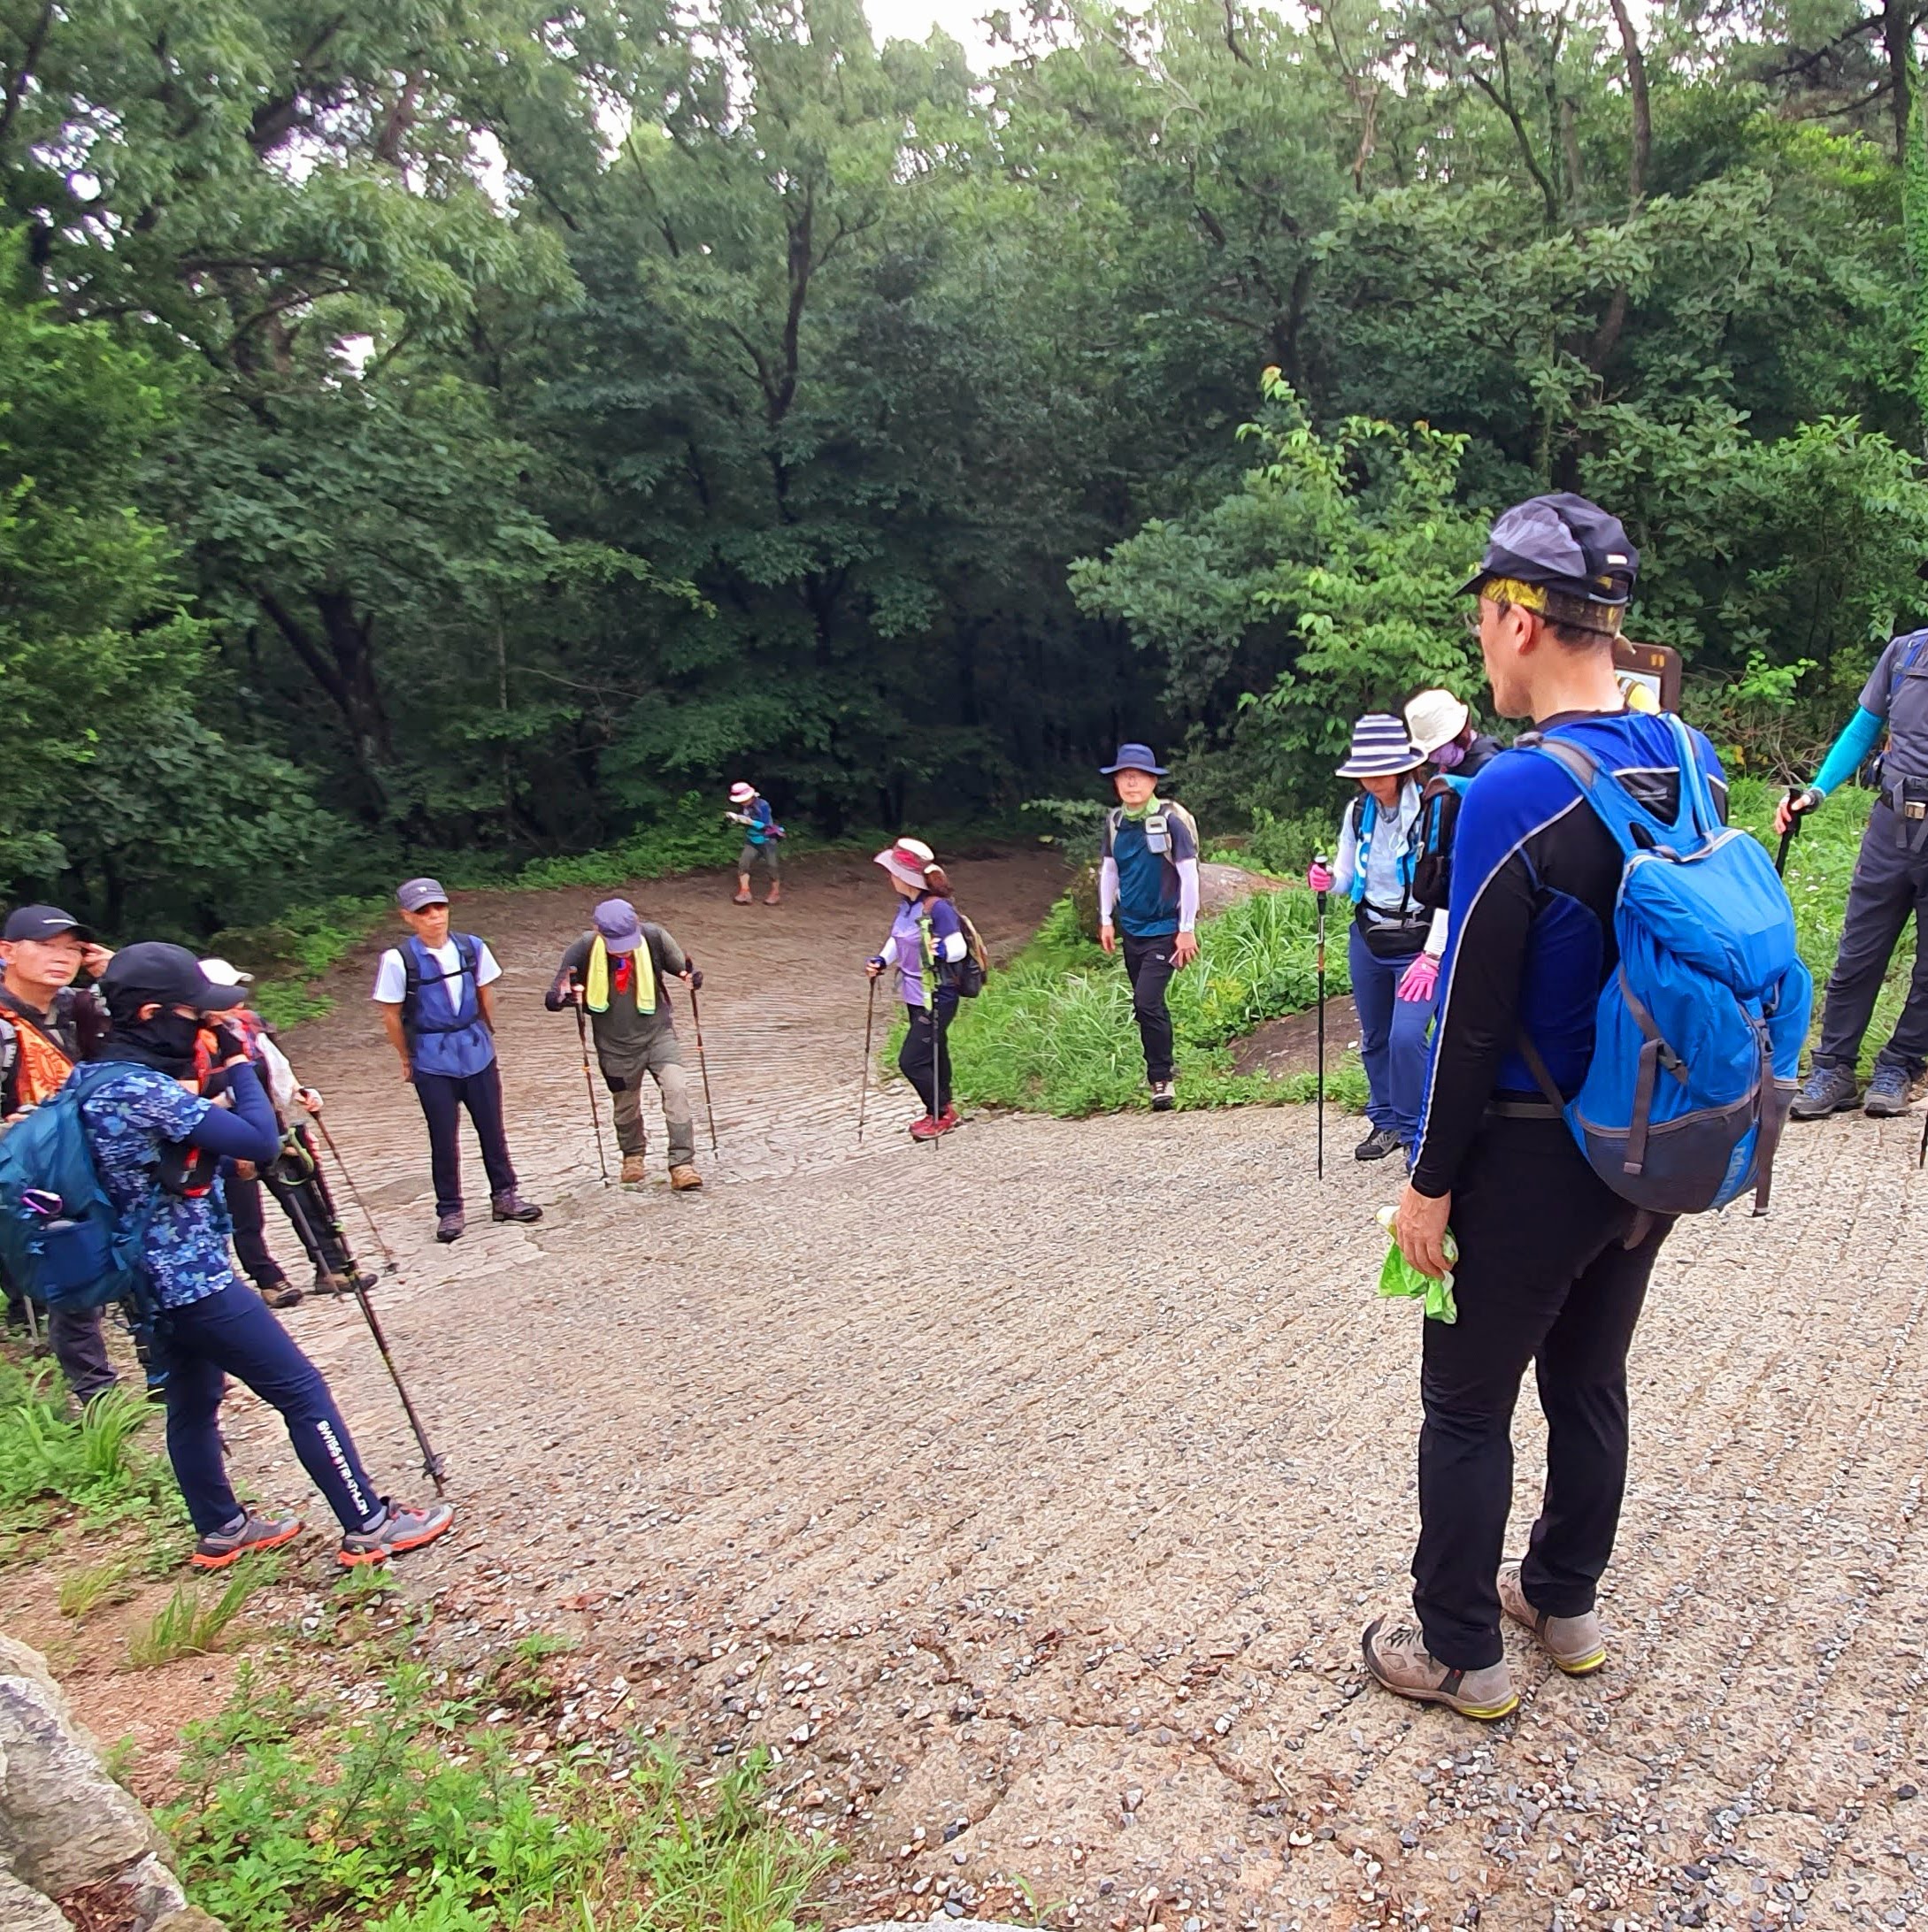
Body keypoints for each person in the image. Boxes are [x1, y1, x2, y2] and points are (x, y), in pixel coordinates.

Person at [1370, 491, 1721, 1720]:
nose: (1479, 642)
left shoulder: (1512, 792)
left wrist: (1426, 1186)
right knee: (1586, 1380)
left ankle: (1458, 1649)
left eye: (1481, 617)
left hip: (1528, 1155)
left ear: (1518, 620)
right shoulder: (1687, 760)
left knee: (1463, 1407)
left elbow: (1471, 1024)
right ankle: (1561, 1604)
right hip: (1651, 1139)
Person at [81, 943, 455, 1570]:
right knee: (300, 1389)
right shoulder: (142, 1090)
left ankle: (221, 1527)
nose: (206, 1024)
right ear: (149, 1014)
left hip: (144, 1279)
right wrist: (238, 1064)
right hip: (191, 1279)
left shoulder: (95, 1078)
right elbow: (258, 1139)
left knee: (193, 1403)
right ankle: (368, 1523)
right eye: (195, 1014)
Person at [1779, 626, 1928, 1120]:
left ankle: (1899, 1066)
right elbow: (1864, 729)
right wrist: (1817, 791)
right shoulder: (1905, 653)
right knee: (1858, 955)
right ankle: (1833, 1069)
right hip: (1891, 824)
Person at [373, 879, 542, 1244]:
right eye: (423, 912)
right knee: (443, 1136)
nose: (434, 917)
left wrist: (486, 1034)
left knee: (492, 1128)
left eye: (439, 908)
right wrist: (406, 1057)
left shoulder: (472, 948)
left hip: (476, 1049)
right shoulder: (398, 961)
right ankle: (449, 1210)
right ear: (407, 917)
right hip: (431, 1056)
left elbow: (485, 993)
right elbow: (391, 1015)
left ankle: (505, 1195)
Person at [1306, 717, 1445, 1162]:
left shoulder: (1432, 809)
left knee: (1408, 1036)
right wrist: (1327, 881)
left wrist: (1433, 955)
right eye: (1366, 770)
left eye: (1383, 768)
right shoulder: (1356, 812)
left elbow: (1449, 885)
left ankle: (1419, 1130)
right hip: (1369, 936)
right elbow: (1348, 878)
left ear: (1404, 767)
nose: (1373, 778)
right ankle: (1385, 1122)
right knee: (1376, 1037)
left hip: (1419, 939)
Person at [198, 959, 373, 1303]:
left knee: (305, 1196)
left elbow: (279, 1072)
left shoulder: (250, 1028)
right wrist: (228, 1100)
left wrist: (300, 1093)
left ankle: (332, 1267)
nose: (237, 998)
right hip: (226, 1137)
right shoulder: (188, 1045)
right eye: (227, 992)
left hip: (271, 1126)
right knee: (246, 1215)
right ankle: (269, 1279)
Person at [0, 906, 118, 1402]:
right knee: (71, 1282)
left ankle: (167, 1380)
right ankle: (97, 1400)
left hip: (89, 1161)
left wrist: (116, 973)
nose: (62, 958)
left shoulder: (80, 1009)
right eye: (47, 946)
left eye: (72, 949)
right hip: (26, 1175)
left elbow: (154, 1027)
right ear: (8, 952)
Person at [545, 898, 704, 1191]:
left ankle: (682, 1164)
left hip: (658, 1035)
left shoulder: (654, 937)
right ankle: (632, 1157)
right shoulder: (582, 948)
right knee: (625, 1105)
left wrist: (691, 978)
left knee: (677, 1090)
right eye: (615, 944)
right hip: (613, 1045)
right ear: (598, 930)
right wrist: (564, 996)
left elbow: (683, 969)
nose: (623, 950)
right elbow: (553, 997)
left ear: (637, 924)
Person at [1095, 744, 1201, 1112]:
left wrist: (1186, 928)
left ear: (1153, 781)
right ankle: (1160, 1066)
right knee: (1147, 1006)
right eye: (1124, 777)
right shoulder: (1115, 822)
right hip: (1131, 929)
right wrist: (1106, 919)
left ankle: (1161, 1078)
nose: (1131, 783)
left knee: (1147, 1000)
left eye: (1138, 777)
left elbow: (1189, 875)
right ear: (1116, 783)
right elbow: (1109, 871)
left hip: (1166, 928)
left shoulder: (1170, 821)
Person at [867, 839, 967, 1139]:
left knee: (910, 1060)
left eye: (893, 872)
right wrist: (881, 960)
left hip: (938, 995)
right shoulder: (908, 906)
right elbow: (898, 938)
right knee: (935, 1050)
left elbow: (958, 949)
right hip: (915, 994)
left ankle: (941, 1113)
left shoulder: (939, 908)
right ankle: (943, 1110)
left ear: (906, 877)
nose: (890, 877)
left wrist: (938, 953)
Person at [1404, 688, 1502, 780]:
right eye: (1433, 751)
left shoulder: (1487, 763)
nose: (1437, 755)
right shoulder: (1441, 768)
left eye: (1441, 747)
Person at [726, 782, 782, 906]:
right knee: (743, 864)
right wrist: (736, 819)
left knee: (772, 867)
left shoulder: (763, 805)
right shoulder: (744, 807)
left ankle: (775, 893)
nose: (742, 802)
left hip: (767, 840)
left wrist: (749, 822)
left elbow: (766, 825)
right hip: (751, 840)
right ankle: (745, 892)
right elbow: (743, 819)